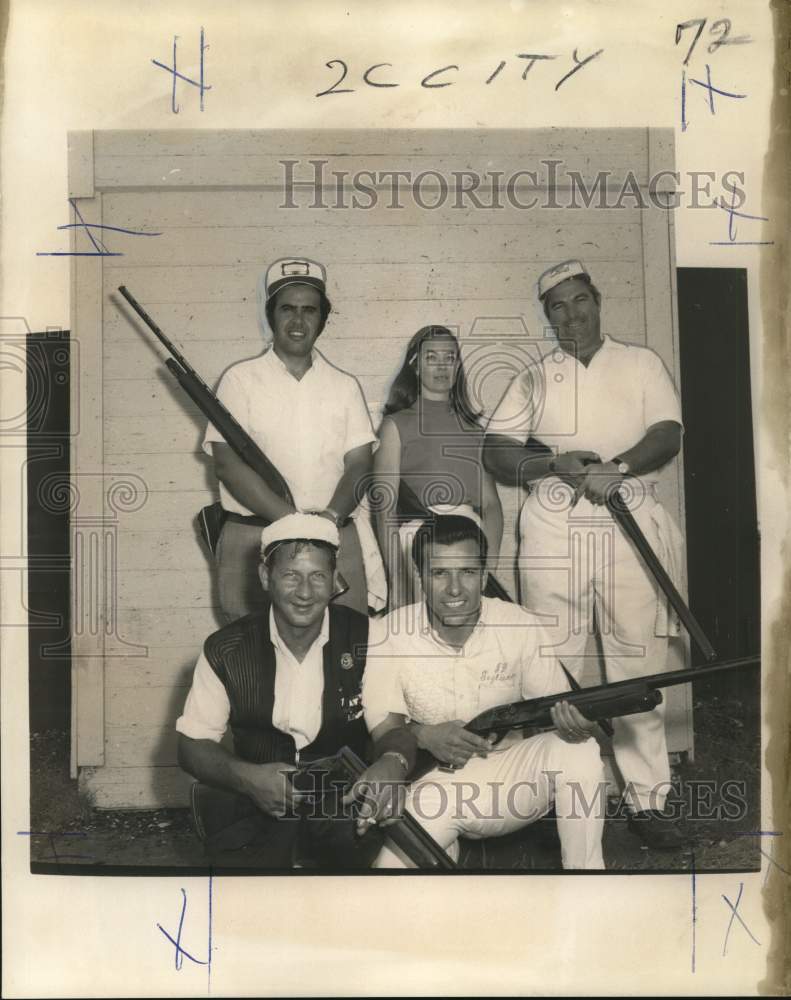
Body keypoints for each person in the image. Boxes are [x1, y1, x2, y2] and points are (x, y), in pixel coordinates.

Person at [483, 259, 687, 850]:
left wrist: (614, 468)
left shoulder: (640, 362)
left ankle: (650, 804)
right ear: (546, 316)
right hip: (552, 529)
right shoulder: (534, 377)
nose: (572, 314)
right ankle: (547, 801)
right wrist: (553, 463)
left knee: (637, 664)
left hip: (627, 522)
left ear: (598, 300)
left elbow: (668, 432)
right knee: (552, 665)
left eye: (580, 300)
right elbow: (498, 453)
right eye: (558, 306)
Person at [360, 514, 605, 870]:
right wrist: (425, 735)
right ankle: (445, 856)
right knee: (387, 884)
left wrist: (576, 725)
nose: (455, 589)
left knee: (580, 751)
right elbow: (384, 729)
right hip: (436, 787)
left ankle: (588, 887)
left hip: (515, 778)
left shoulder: (519, 623)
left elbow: (558, 713)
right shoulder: (389, 633)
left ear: (485, 574)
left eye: (468, 572)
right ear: (419, 576)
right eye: (439, 573)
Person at [175, 513, 415, 869]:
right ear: (265, 577)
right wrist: (248, 778)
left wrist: (392, 764)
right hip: (255, 804)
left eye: (318, 576)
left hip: (341, 807)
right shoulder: (225, 649)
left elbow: (392, 730)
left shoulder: (369, 636)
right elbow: (190, 746)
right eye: (291, 576)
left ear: (335, 581)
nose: (305, 592)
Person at [203, 258, 377, 620]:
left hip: (333, 535)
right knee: (252, 659)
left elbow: (360, 465)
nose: (298, 322)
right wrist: (293, 522)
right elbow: (227, 465)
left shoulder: (345, 386)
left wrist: (326, 520)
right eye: (287, 309)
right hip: (253, 538)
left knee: (343, 649)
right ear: (271, 315)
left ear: (323, 319)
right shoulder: (239, 380)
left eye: (309, 311)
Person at [372, 325, 503, 609]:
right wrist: (397, 580)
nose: (442, 366)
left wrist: (487, 565)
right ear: (416, 366)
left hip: (469, 540)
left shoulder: (475, 430)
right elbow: (384, 509)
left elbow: (491, 505)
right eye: (432, 357)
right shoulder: (395, 424)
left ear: (458, 366)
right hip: (418, 544)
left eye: (450, 357)